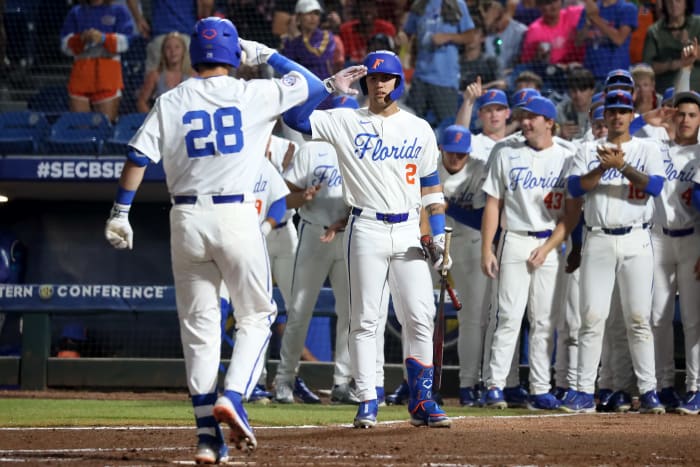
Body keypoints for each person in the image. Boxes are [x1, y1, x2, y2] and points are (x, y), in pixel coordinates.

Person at [104, 16, 366, 462]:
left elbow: (136, 155)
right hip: (237, 215)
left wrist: (120, 212)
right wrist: (265, 54)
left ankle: (208, 437)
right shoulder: (254, 93)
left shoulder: (172, 99)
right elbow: (303, 83)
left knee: (201, 333)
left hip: (184, 218)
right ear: (232, 54)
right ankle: (235, 396)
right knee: (258, 316)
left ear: (194, 53)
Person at [283, 49, 453, 428]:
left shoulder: (419, 128)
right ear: (364, 82)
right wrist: (328, 86)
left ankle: (421, 400)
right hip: (366, 227)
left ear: (398, 81)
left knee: (420, 317)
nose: (379, 84)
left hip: (409, 229)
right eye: (373, 78)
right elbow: (293, 118)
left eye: (386, 77)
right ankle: (367, 399)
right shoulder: (345, 120)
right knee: (364, 320)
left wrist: (439, 238)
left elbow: (432, 191)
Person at [562, 89, 666, 414]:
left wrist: (622, 167)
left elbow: (656, 187)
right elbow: (575, 188)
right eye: (613, 111)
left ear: (631, 115)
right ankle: (582, 390)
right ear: (604, 116)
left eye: (623, 110)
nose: (618, 116)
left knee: (638, 319)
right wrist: (603, 168)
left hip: (636, 239)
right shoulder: (587, 149)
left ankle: (649, 392)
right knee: (592, 317)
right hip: (598, 238)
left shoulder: (647, 148)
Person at [480, 96, 581, 411]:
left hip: (549, 244)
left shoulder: (568, 155)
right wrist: (488, 247)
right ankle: (495, 385)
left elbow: (571, 213)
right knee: (508, 316)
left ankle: (540, 388)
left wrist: (550, 247)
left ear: (549, 121)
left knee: (543, 321)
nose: (525, 122)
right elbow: (493, 203)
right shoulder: (506, 152)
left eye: (533, 117)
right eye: (523, 116)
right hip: (515, 238)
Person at [650, 90, 700, 413]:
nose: (685, 120)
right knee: (657, 316)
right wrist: (651, 117)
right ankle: (664, 385)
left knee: (694, 320)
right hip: (658, 239)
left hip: (694, 238)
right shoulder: (657, 148)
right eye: (680, 113)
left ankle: (695, 387)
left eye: (693, 115)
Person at [60, 0, 135, 123]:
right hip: (81, 76)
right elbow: (65, 45)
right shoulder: (76, 12)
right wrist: (80, 40)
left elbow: (126, 42)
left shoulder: (119, 11)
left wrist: (104, 38)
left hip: (108, 76)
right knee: (79, 126)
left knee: (105, 125)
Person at [402, 0, 475, 125]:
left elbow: (470, 36)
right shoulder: (419, 5)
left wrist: (448, 36)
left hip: (445, 79)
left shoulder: (457, 4)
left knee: (447, 124)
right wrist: (401, 37)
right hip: (420, 76)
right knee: (411, 123)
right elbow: (407, 32)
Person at [126, 0, 214, 73]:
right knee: (192, 85)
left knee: (153, 84)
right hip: (186, 34)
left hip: (160, 34)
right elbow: (207, 3)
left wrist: (139, 19)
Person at [643, 0, 700, 93]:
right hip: (666, 93)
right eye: (669, 1)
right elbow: (647, 67)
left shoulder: (698, 24)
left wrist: (688, 44)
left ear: (686, 3)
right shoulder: (654, 31)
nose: (673, 5)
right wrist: (673, 64)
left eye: (678, 1)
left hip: (696, 90)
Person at [575, 0, 637, 81]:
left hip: (616, 75)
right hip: (590, 74)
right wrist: (587, 23)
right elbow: (578, 41)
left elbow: (619, 39)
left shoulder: (627, 8)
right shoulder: (591, 9)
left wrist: (595, 18)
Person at [136, 32, 191, 113]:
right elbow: (141, 102)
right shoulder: (155, 75)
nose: (173, 51)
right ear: (163, 52)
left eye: (177, 47)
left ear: (183, 51)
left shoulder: (193, 76)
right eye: (168, 48)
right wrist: (152, 120)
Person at [520, 0, 584, 66]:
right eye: (548, 3)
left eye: (555, 1)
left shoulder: (573, 13)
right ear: (540, 7)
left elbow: (593, 12)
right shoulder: (534, 31)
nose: (553, 6)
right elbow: (526, 63)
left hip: (582, 68)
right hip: (551, 72)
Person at [339, 0, 397, 64]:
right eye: (363, 6)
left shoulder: (386, 29)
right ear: (357, 9)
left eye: (371, 6)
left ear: (376, 9)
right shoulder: (346, 30)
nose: (367, 10)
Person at [480, 0, 528, 76]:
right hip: (490, 76)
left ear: (506, 13)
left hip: (513, 75)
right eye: (491, 22)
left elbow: (523, 62)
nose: (496, 24)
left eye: (498, 19)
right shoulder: (484, 34)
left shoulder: (521, 32)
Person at [556, 67, 596, 141]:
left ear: (592, 91)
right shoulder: (559, 110)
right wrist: (559, 133)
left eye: (582, 90)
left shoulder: (601, 111)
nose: (578, 95)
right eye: (574, 90)